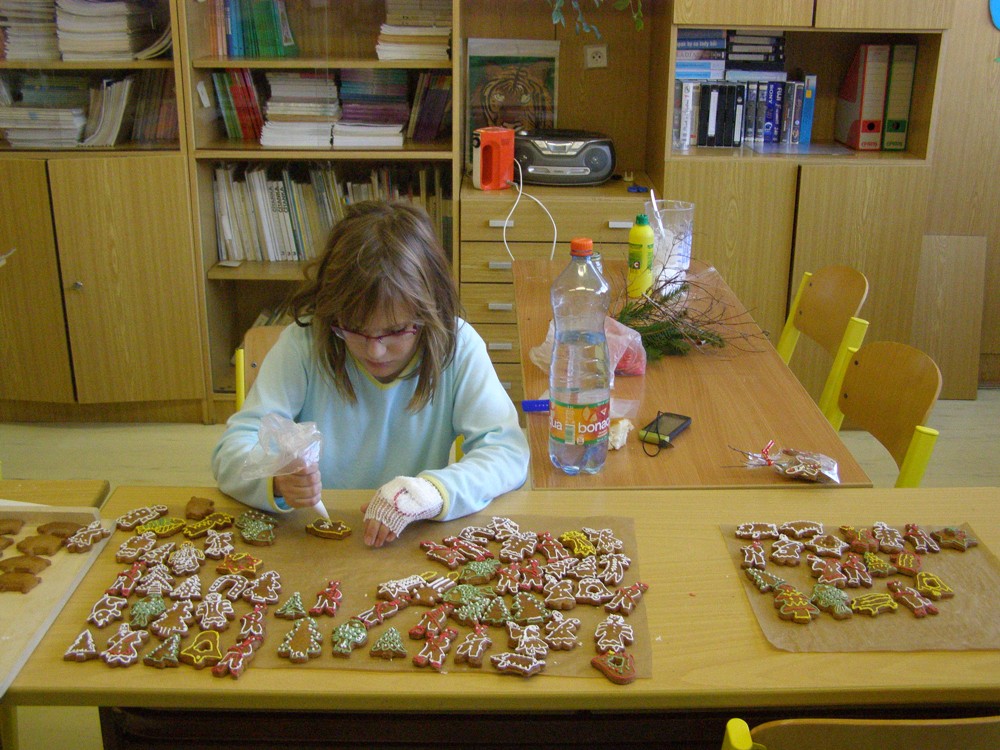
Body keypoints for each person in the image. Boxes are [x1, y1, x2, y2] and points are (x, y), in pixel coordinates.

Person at [212, 200, 529, 547]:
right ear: (331, 311)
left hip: (410, 536)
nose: (375, 351)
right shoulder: (303, 345)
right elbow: (231, 452)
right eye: (354, 329)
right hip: (317, 536)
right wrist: (275, 480)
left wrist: (433, 490)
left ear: (430, 311)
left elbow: (507, 452)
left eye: (396, 330)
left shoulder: (457, 345)